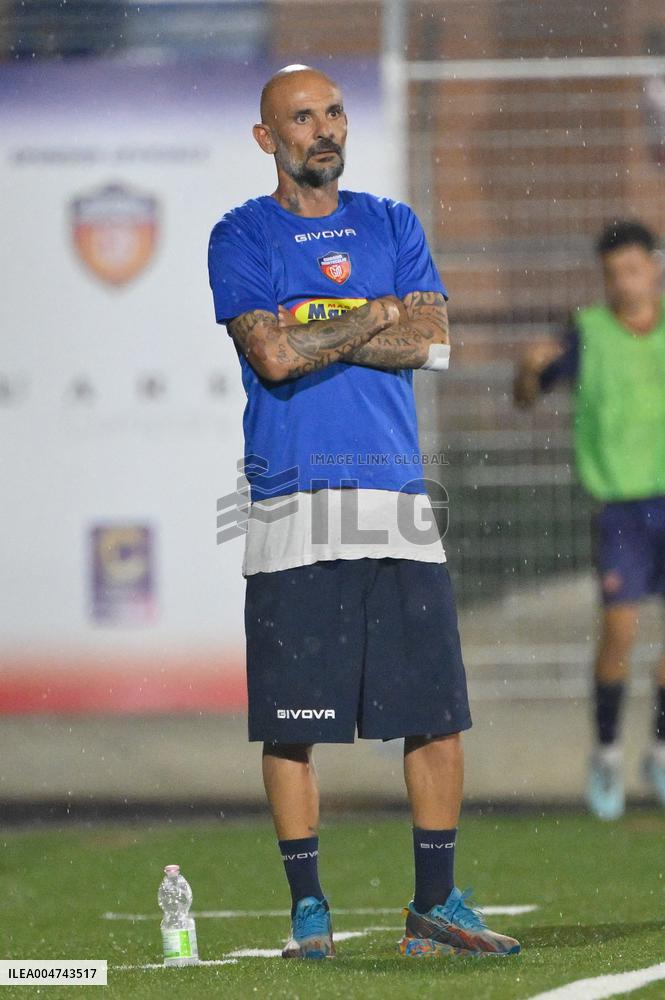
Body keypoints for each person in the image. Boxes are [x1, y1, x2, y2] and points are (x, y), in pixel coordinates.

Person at [208, 64, 520, 960]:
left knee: (435, 713)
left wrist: (320, 328)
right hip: (290, 505)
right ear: (267, 138)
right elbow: (269, 356)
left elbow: (431, 339)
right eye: (302, 117)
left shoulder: (391, 223)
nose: (324, 129)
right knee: (291, 727)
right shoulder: (241, 233)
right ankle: (309, 910)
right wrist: (370, 316)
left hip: (394, 500)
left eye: (334, 112)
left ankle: (435, 906)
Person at [514, 220, 665, 820]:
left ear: (653, 268)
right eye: (612, 274)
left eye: (633, 270)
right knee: (620, 634)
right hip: (620, 507)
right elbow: (527, 396)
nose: (624, 283)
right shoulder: (587, 333)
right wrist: (529, 370)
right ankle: (606, 752)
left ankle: (659, 748)